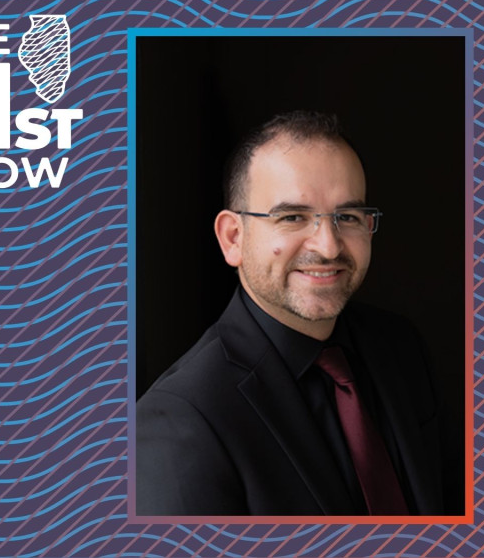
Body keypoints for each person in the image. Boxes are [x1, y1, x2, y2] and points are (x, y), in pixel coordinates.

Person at [136, 112, 445, 516]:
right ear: (234, 238)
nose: (329, 246)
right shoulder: (179, 422)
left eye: (348, 217)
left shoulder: (400, 346)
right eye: (293, 217)